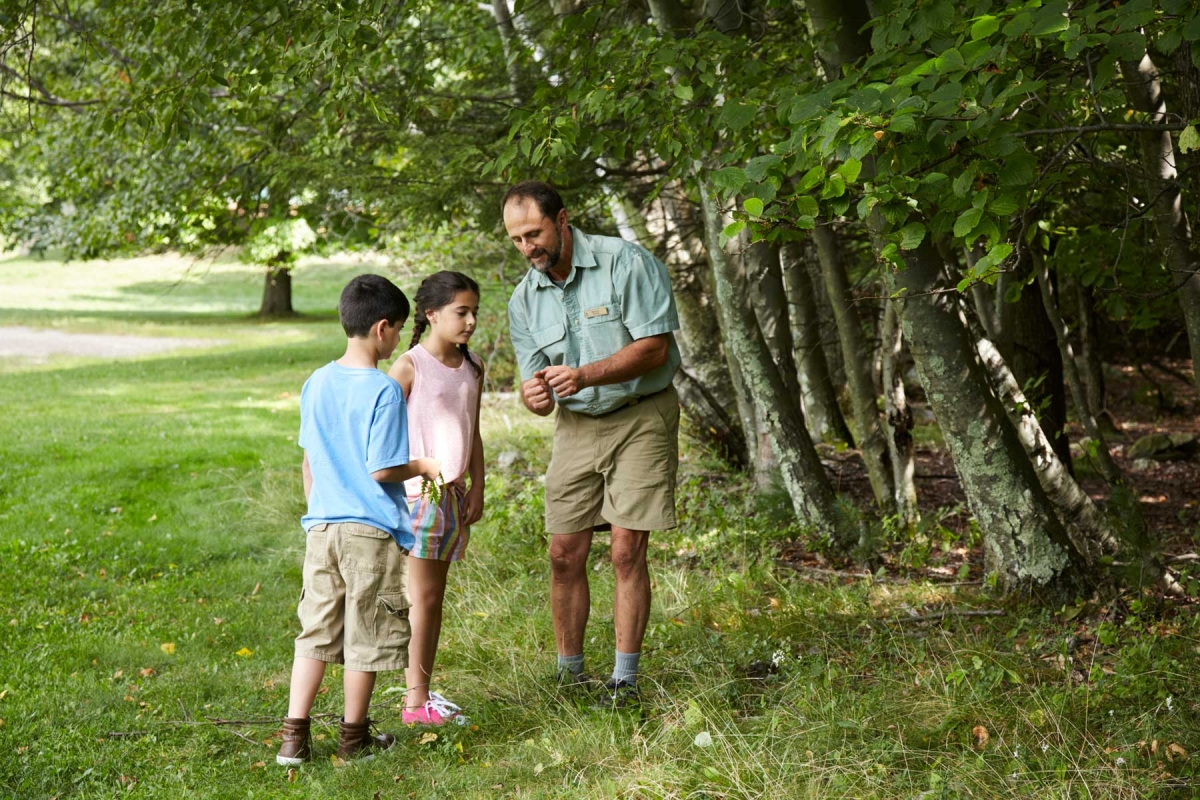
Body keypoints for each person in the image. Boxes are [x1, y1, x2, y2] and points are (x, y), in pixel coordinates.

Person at [502, 180, 682, 708]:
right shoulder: (523, 299)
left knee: (626, 550)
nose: (527, 247)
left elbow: (654, 347)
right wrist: (535, 396)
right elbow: (536, 391)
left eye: (533, 233)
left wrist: (585, 375)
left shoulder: (625, 262)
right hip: (576, 427)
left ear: (562, 219)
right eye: (515, 239)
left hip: (640, 414)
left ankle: (624, 680)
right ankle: (569, 675)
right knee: (564, 552)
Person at [277, 274, 441, 765]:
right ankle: (354, 738)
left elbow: (309, 462)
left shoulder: (316, 381)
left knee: (316, 632)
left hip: (322, 527)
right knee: (366, 636)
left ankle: (293, 739)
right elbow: (383, 467)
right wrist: (423, 466)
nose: (397, 342)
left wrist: (318, 510)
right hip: (368, 533)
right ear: (383, 329)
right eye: (398, 332)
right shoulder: (382, 390)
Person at [386, 271, 485, 726]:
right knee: (422, 598)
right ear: (432, 314)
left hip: (453, 494)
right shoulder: (409, 366)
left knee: (433, 597)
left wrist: (477, 485)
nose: (470, 322)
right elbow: (383, 434)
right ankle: (414, 703)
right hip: (418, 495)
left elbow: (474, 431)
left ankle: (419, 694)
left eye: (474, 313)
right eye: (461, 312)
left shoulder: (472, 366)